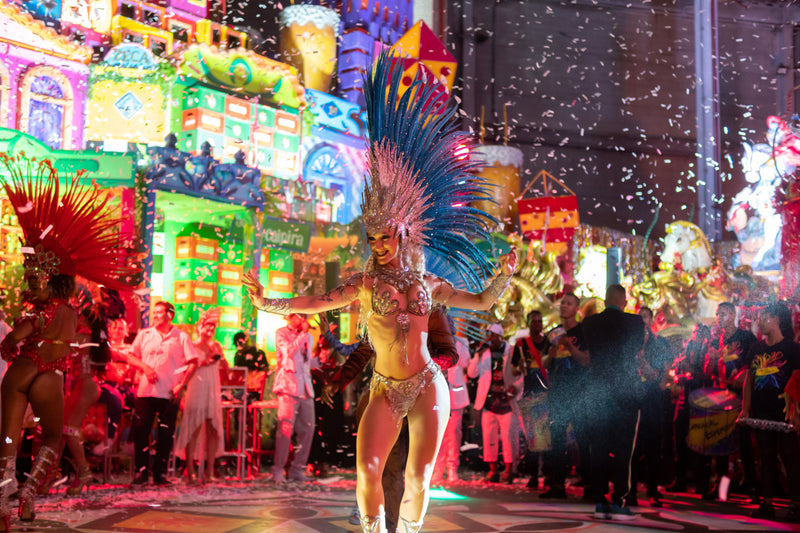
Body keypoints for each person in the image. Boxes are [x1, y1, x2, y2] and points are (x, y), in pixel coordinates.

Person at [244, 51, 514, 533]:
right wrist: (268, 301)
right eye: (373, 239)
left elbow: (484, 302)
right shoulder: (367, 282)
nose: (380, 246)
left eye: (386, 236)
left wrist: (504, 274)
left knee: (418, 474)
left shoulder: (429, 282)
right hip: (386, 388)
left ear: (404, 233)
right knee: (366, 469)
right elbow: (317, 301)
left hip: (428, 383)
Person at [0, 156, 136, 531]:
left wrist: (12, 347)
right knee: (54, 436)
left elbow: (14, 338)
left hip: (23, 369)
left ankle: (2, 504)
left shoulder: (41, 311)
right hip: (51, 376)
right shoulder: (73, 314)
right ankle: (28, 497)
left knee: (9, 437)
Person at [321, 307, 457, 532]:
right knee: (384, 471)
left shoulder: (433, 309)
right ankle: (388, 526)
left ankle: (402, 527)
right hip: (387, 399)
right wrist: (340, 381)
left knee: (417, 476)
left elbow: (449, 354)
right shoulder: (381, 307)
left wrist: (420, 370)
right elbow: (363, 351)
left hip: (424, 401)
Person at [581, 284, 644, 520]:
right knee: (623, 448)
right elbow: (637, 348)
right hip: (626, 391)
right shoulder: (635, 322)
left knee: (598, 446)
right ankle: (619, 498)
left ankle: (599, 498)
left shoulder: (590, 323)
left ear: (605, 300)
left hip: (598, 391)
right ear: (624, 302)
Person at [128, 301, 198, 486]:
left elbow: (193, 362)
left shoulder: (181, 336)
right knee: (141, 431)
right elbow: (130, 355)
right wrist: (145, 367)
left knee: (165, 435)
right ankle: (141, 473)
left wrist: (182, 384)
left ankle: (160, 474)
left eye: (160, 312)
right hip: (145, 392)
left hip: (169, 393)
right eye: (155, 312)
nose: (156, 315)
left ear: (170, 315)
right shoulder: (145, 334)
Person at [741, 302, 800, 520]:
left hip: (784, 413)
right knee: (765, 458)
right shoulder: (756, 349)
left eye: (763, 317)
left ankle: (795, 504)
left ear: (775, 320)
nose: (759, 322)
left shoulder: (792, 349)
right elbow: (749, 381)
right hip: (761, 413)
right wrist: (745, 410)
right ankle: (767, 503)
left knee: (790, 457)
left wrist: (796, 413)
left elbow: (797, 382)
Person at [540, 293, 589, 499]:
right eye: (562, 304)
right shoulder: (554, 333)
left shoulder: (584, 331)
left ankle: (590, 484)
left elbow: (587, 360)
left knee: (584, 438)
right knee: (557, 439)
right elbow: (543, 363)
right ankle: (557, 485)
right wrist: (549, 357)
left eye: (569, 304)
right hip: (558, 392)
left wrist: (570, 347)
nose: (564, 307)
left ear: (577, 308)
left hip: (579, 391)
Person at [174, 309, 227, 483]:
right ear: (200, 326)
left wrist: (221, 358)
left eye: (213, 326)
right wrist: (205, 362)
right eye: (208, 325)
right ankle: (189, 469)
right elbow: (186, 367)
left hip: (212, 388)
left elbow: (225, 368)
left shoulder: (216, 345)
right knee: (193, 427)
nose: (211, 328)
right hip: (197, 387)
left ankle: (210, 470)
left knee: (213, 428)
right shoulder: (192, 344)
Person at [468, 323, 523, 484]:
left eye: (492, 335)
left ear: (500, 336)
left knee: (508, 437)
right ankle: (493, 471)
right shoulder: (484, 353)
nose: (489, 338)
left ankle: (509, 470)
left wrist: (516, 388)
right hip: (488, 401)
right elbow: (472, 374)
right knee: (489, 436)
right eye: (488, 335)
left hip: (507, 401)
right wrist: (477, 355)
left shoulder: (511, 351)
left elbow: (520, 375)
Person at [631, 306, 671, 507]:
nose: (642, 321)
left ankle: (653, 489)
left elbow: (660, 374)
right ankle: (630, 492)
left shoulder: (659, 345)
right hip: (635, 401)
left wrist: (646, 365)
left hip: (653, 400)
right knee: (633, 448)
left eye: (645, 317)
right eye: (639, 318)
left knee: (653, 447)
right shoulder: (630, 344)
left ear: (651, 319)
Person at [271, 312, 316, 483]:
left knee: (307, 429)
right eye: (300, 316)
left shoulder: (308, 337)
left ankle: (297, 468)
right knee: (285, 430)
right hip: (288, 386)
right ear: (291, 317)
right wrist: (303, 335)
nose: (304, 319)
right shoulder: (281, 333)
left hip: (305, 387)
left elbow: (306, 362)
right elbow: (288, 352)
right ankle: (278, 469)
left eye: (305, 316)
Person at [512, 310, 551, 489]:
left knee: (548, 435)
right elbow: (514, 371)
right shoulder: (521, 345)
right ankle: (534, 475)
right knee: (532, 437)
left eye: (539, 321)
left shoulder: (549, 343)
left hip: (547, 394)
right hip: (530, 396)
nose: (538, 324)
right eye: (534, 321)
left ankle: (549, 474)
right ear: (528, 324)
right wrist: (519, 367)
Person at [431, 316, 471, 485]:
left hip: (455, 396)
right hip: (437, 394)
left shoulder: (461, 343)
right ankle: (437, 470)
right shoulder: (433, 341)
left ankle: (452, 468)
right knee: (436, 434)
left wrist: (453, 342)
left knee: (453, 435)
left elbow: (465, 361)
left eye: (451, 325)